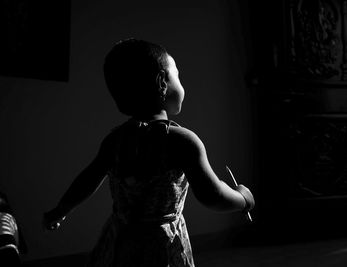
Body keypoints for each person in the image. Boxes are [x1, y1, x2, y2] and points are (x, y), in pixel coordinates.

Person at [42, 38, 255, 267]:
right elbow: (212, 195)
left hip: (120, 239)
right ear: (162, 81)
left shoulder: (115, 140)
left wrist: (61, 210)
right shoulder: (182, 141)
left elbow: (88, 179)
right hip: (161, 245)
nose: (182, 85)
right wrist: (243, 198)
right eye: (178, 76)